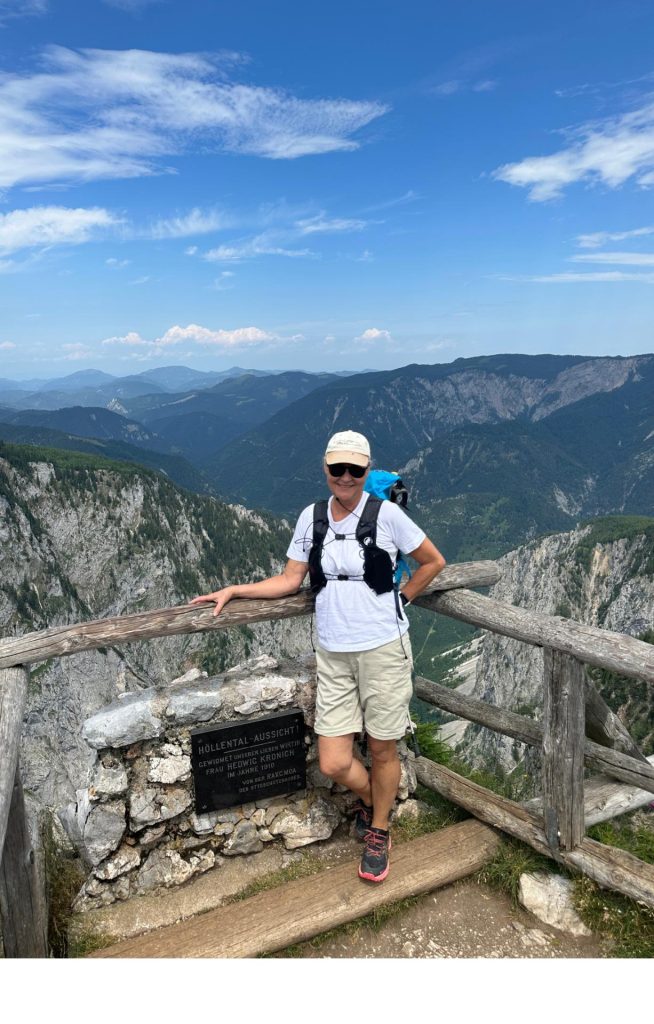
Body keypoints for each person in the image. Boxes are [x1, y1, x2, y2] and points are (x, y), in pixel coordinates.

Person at [190, 430, 446, 883]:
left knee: (383, 747)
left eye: (355, 470)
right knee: (333, 760)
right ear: (325, 469)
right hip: (333, 654)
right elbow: (290, 580)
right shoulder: (311, 518)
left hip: (384, 648)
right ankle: (374, 802)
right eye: (337, 469)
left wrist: (402, 599)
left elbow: (432, 561)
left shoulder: (386, 515)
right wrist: (235, 590)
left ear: (367, 471)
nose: (345, 477)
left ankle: (380, 831)